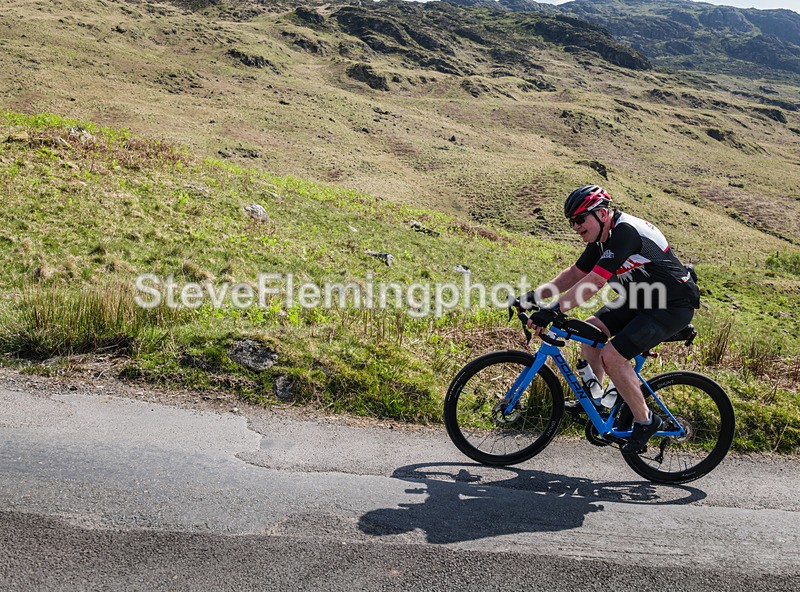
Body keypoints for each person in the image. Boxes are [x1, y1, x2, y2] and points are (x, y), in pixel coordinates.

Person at [522, 185, 700, 454]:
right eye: (572, 221)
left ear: (602, 213)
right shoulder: (601, 239)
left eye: (581, 219)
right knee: (590, 332)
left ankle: (645, 421)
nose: (575, 226)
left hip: (671, 304)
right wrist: (533, 297)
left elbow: (594, 282)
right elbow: (575, 274)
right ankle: (599, 404)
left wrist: (555, 310)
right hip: (640, 299)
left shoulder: (626, 232)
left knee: (612, 356)